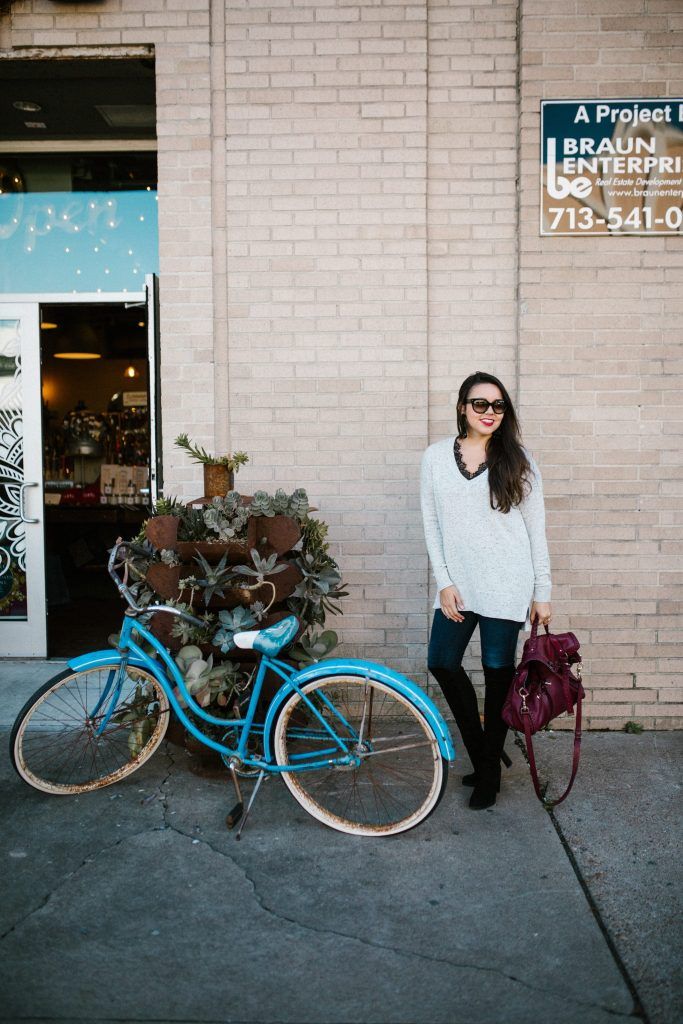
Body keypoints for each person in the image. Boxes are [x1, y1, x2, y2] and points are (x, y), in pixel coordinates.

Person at [420, 370, 552, 810]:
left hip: (507, 583)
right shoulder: (435, 458)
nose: (489, 412)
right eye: (480, 404)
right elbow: (432, 526)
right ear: (463, 407)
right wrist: (444, 582)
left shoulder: (518, 460)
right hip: (458, 586)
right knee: (442, 661)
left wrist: (542, 591)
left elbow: (535, 530)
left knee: (498, 675)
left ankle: (488, 774)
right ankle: (485, 754)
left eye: (498, 405)